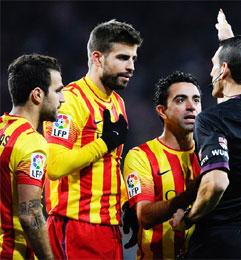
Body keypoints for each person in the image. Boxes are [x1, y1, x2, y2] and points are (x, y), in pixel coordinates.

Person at [170, 9, 241, 258]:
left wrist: (189, 217)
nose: (210, 73)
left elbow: (216, 183)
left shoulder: (211, 120)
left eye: (213, 66)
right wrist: (230, 42)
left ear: (223, 70)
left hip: (221, 241)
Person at [43, 20, 142, 259]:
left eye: (133, 59)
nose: (131, 66)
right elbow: (55, 166)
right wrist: (102, 143)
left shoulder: (117, 102)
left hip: (109, 227)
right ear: (97, 58)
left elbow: (110, 163)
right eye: (122, 58)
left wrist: (126, 202)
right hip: (76, 224)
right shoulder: (69, 101)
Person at [123, 71, 201, 259]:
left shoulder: (209, 154)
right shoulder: (141, 156)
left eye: (196, 100)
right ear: (162, 111)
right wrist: (191, 194)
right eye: (181, 100)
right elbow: (145, 216)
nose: (191, 107)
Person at [0, 54, 64, 259]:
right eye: (58, 91)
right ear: (37, 94)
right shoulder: (31, 143)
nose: (62, 99)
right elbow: (31, 214)